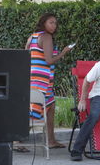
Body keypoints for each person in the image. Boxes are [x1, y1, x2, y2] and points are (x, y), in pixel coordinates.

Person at [23, 13, 71, 151]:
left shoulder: (32, 37)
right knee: (34, 111)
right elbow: (49, 60)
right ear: (43, 22)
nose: (54, 26)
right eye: (51, 22)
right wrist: (63, 52)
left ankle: (51, 140)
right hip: (41, 81)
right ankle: (17, 139)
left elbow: (26, 56)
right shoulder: (46, 37)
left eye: (55, 23)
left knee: (50, 105)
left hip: (33, 78)